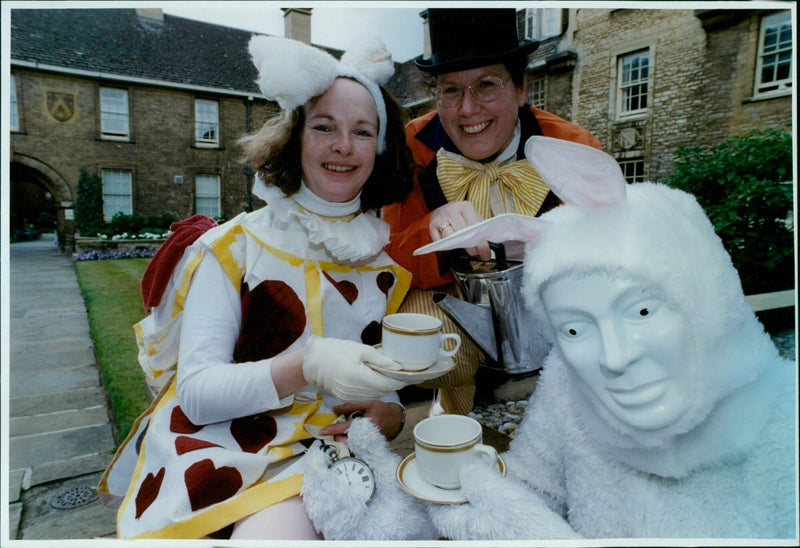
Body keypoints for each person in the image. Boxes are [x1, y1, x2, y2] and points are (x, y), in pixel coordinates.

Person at [304, 137, 797, 540]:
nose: (615, 358)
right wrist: (381, 511)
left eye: (643, 310)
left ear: (706, 296)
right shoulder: (567, 388)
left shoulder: (783, 424)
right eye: (576, 329)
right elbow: (519, 493)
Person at [96, 35, 419, 540]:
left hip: (331, 456)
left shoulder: (379, 261)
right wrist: (306, 365)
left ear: (379, 148)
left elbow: (385, 387)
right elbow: (197, 396)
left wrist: (391, 415)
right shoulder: (235, 248)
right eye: (324, 127)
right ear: (295, 136)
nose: (343, 146)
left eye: (362, 131)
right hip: (227, 451)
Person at [382, 8, 602, 415]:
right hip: (457, 334)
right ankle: (458, 419)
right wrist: (432, 231)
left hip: (556, 329)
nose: (467, 109)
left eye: (486, 85)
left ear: (521, 88)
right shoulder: (410, 150)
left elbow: (610, 257)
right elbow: (387, 263)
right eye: (450, 90)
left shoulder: (574, 146)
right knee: (430, 330)